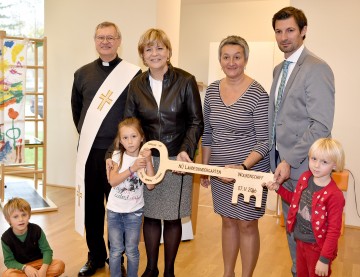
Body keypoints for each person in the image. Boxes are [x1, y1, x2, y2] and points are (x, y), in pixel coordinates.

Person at [123, 28, 203, 277]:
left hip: (178, 158)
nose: (155, 53)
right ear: (142, 55)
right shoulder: (136, 85)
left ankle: (169, 271)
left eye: (160, 48)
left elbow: (195, 121)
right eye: (149, 49)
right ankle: (151, 269)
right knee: (150, 216)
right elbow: (130, 122)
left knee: (172, 218)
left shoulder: (185, 80)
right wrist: (135, 153)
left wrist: (185, 150)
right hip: (148, 159)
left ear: (168, 52)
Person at [269, 7, 335, 276]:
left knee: (311, 239)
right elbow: (277, 120)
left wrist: (288, 160)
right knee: (293, 234)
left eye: (290, 30)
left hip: (304, 169)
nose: (284, 37)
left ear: (304, 31)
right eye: (278, 31)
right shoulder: (278, 69)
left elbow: (320, 125)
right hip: (284, 169)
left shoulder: (317, 68)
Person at [71, 21, 140, 276]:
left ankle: (116, 258)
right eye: (100, 37)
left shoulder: (133, 74)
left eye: (110, 37)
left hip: (120, 155)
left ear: (119, 40)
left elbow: (135, 113)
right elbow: (77, 112)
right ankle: (95, 257)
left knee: (117, 208)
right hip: (90, 153)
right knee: (92, 208)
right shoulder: (81, 74)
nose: (105, 42)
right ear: (95, 40)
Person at [200, 35, 269, 277]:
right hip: (221, 171)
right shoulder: (210, 92)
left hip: (249, 169)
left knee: (247, 223)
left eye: (237, 57)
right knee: (228, 220)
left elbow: (264, 142)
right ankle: (228, 273)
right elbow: (207, 133)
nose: (231, 62)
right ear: (220, 59)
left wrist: (240, 167)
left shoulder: (258, 93)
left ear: (245, 59)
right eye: (226, 57)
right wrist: (206, 169)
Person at [264, 138, 345, 277]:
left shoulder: (334, 195)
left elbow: (334, 231)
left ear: (334, 165)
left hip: (317, 247)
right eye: (313, 159)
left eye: (324, 162)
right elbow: (295, 200)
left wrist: (324, 259)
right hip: (300, 241)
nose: (317, 165)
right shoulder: (305, 178)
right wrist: (278, 188)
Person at [107, 117, 155, 277]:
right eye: (125, 138)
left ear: (142, 137)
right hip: (114, 212)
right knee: (115, 251)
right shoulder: (116, 156)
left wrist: (147, 161)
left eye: (133, 136)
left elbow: (150, 185)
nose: (130, 141)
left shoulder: (144, 158)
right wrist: (132, 168)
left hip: (134, 213)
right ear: (120, 140)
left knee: (132, 250)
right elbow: (113, 181)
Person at [1, 198, 65, 277]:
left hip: (40, 263)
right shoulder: (6, 238)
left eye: (24, 215)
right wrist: (25, 268)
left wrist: (43, 270)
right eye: (15, 217)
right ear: (8, 219)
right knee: (7, 275)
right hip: (21, 268)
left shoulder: (36, 230)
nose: (21, 219)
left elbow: (47, 251)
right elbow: (9, 261)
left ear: (29, 216)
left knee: (59, 265)